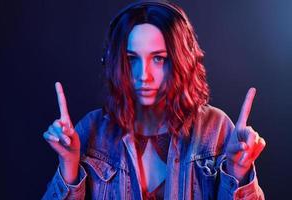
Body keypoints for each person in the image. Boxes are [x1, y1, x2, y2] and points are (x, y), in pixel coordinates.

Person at [42, 1, 266, 199]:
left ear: (182, 61)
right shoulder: (91, 130)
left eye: (158, 58)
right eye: (131, 59)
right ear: (114, 62)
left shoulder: (216, 129)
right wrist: (69, 165)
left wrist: (238, 172)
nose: (143, 75)